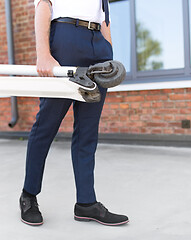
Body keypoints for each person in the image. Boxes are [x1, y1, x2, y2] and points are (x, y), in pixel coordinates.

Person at [19, 0, 129, 226]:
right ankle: (29, 195)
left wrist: (108, 51)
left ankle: (86, 203)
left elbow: (104, 18)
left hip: (98, 46)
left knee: (88, 131)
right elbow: (43, 6)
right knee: (47, 125)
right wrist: (43, 53)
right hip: (66, 40)